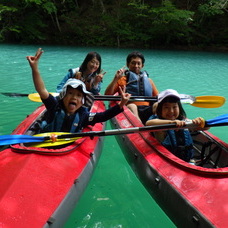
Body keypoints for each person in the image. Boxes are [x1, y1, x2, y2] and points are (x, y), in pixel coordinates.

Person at [26, 48, 131, 133]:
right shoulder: (54, 106)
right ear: (64, 96)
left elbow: (103, 116)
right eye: (70, 93)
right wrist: (35, 68)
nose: (74, 97)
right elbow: (41, 89)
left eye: (79, 95)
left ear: (83, 101)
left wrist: (121, 104)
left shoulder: (83, 115)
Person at [146, 89, 205, 162]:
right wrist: (171, 122)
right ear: (160, 109)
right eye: (166, 107)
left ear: (179, 108)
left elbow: (205, 128)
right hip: (167, 161)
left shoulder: (184, 122)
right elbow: (149, 123)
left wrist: (200, 121)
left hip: (187, 161)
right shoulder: (158, 122)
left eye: (174, 107)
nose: (171, 111)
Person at [105, 51, 159, 124]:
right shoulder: (122, 80)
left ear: (142, 65)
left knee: (157, 105)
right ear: (128, 64)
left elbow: (158, 97)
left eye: (138, 63)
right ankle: (140, 126)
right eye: (133, 63)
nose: (136, 66)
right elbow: (107, 95)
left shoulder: (149, 81)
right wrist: (115, 79)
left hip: (147, 109)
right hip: (130, 109)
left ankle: (157, 124)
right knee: (133, 106)